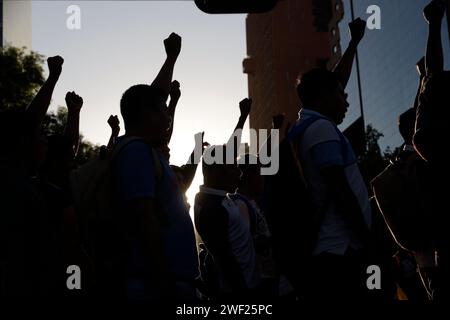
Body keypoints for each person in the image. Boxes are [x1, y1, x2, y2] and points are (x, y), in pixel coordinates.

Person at [108, 33, 199, 300]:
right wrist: (164, 282)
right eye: (163, 112)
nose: (168, 118)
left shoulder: (148, 152)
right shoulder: (135, 152)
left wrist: (171, 58)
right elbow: (144, 219)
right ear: (147, 116)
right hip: (155, 287)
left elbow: (152, 96)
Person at [290, 18, 373, 301]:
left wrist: (352, 43)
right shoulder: (321, 129)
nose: (346, 102)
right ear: (324, 96)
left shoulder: (307, 126)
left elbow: (333, 84)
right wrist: (366, 240)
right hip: (341, 252)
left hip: (334, 250)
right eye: (341, 95)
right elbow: (339, 189)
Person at [194, 98, 264, 300]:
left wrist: (242, 117)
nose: (239, 174)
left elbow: (229, 151)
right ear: (216, 171)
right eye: (233, 168)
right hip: (239, 295)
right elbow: (226, 260)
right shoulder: (211, 208)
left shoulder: (216, 198)